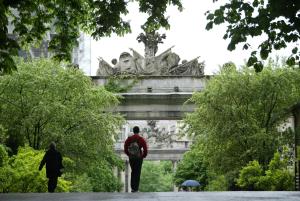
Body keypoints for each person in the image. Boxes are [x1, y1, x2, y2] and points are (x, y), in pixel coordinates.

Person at [124, 126, 148, 193]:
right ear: (138, 131)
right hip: (138, 158)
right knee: (137, 173)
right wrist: (143, 156)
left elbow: (125, 148)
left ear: (133, 131)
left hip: (131, 158)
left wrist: (129, 154)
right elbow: (145, 149)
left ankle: (132, 188)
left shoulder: (129, 139)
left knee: (133, 171)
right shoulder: (141, 139)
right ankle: (136, 188)